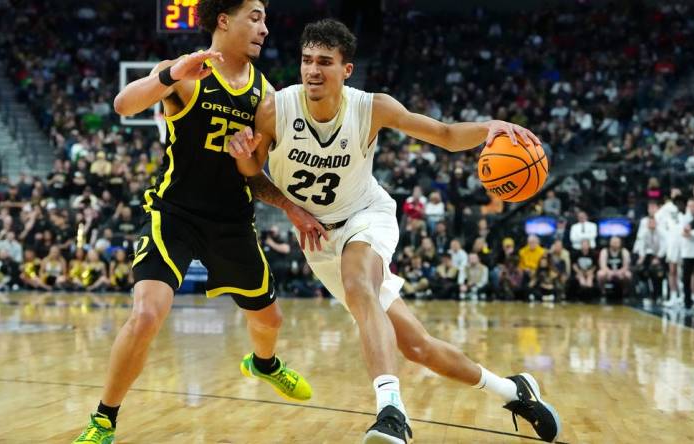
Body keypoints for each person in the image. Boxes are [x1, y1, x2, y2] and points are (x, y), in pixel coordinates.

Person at [227, 19, 560, 443]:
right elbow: (252, 175)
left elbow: (442, 134)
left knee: (358, 281)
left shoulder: (371, 107)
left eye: (325, 62)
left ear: (346, 70)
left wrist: (488, 127)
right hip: (317, 238)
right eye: (307, 60)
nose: (312, 70)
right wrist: (283, 200)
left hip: (367, 215)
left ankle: (391, 412)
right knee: (418, 347)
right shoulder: (275, 108)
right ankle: (515, 391)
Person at [72, 1, 318, 442]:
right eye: (256, 17)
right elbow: (123, 104)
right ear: (224, 20)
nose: (265, 28)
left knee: (271, 321)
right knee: (147, 314)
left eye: (265, 19)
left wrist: (285, 203)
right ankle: (103, 421)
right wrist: (171, 75)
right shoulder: (185, 71)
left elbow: (255, 176)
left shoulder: (265, 96)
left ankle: (264, 364)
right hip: (174, 213)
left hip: (232, 221)